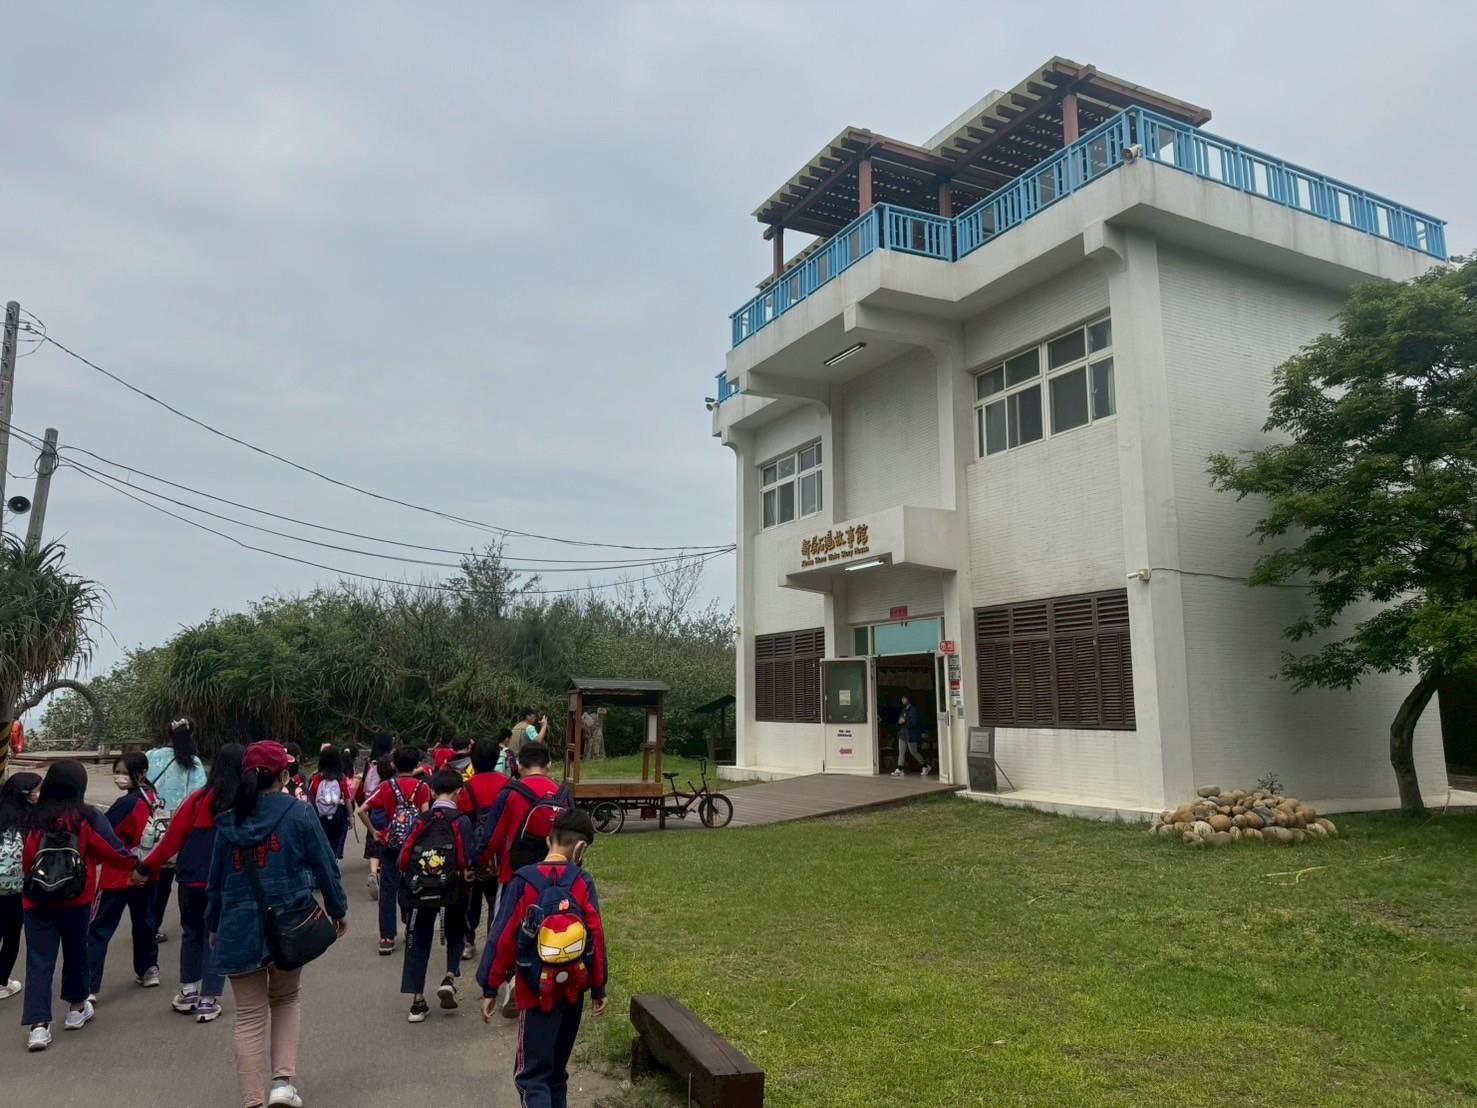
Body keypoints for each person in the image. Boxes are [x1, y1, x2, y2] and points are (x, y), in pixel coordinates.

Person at [208, 741, 348, 1108]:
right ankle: (282, 1084)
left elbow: (216, 883)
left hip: (237, 926)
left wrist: (213, 926)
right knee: (285, 998)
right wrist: (337, 909)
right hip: (290, 921)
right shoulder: (299, 813)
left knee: (249, 1016)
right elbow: (325, 866)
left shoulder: (227, 821)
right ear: (284, 775)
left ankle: (252, 1100)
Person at [479, 808, 608, 1108]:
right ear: (581, 848)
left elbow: (502, 937)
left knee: (531, 1076)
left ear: (549, 840)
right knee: (556, 1074)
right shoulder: (582, 881)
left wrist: (490, 985)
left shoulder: (524, 881)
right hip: (573, 990)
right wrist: (598, 987)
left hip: (535, 992)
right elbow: (596, 935)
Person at [21, 760, 141, 1052]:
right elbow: (112, 850)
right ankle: (76, 1009)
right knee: (77, 952)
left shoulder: (34, 818)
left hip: (37, 899)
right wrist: (137, 867)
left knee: (39, 960)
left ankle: (39, 1026)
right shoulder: (87, 817)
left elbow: (27, 860)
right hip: (76, 898)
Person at [135, 742, 244, 1023]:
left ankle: (188, 992)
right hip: (226, 884)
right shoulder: (245, 803)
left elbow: (171, 841)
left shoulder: (196, 800)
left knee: (192, 933)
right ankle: (209, 998)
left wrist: (145, 867)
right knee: (216, 936)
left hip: (191, 880)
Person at [397, 769, 474, 1023]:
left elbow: (404, 857)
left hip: (421, 888)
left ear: (431, 792)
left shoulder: (422, 819)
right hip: (452, 887)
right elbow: (465, 859)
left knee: (418, 939)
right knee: (456, 931)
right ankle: (450, 977)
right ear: (459, 792)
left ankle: (417, 1001)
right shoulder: (461, 820)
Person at [86, 751, 163, 998]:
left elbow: (103, 832)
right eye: (117, 772)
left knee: (98, 929)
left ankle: (89, 985)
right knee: (145, 923)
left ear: (140, 773)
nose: (119, 777)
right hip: (147, 870)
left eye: (124, 773)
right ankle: (148, 968)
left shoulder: (125, 804)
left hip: (118, 873)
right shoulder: (153, 798)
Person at [357, 747, 431, 955]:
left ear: (393, 765)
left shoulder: (386, 786)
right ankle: (411, 926)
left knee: (388, 890)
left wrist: (374, 832)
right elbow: (425, 816)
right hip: (413, 845)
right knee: (413, 886)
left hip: (391, 844)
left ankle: (387, 937)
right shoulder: (422, 787)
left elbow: (361, 809)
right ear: (417, 764)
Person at [146, 718, 207, 944]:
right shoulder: (193, 762)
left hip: (151, 826)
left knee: (156, 881)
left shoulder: (151, 756)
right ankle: (192, 927)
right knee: (184, 883)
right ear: (192, 735)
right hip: (181, 829)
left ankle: (150, 927)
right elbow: (197, 797)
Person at [458, 739, 510, 952]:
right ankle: (493, 943)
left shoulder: (467, 787)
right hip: (500, 851)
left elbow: (462, 822)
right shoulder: (507, 784)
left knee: (471, 899)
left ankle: (468, 941)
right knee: (496, 901)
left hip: (473, 851)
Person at [0, 772, 42, 1002]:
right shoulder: (32, 820)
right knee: (11, 935)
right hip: (16, 889)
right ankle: (1, 982)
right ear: (25, 794)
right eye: (36, 790)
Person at [354, 734, 395, 899]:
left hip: (372, 804)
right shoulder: (389, 763)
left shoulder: (370, 762)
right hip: (387, 805)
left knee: (374, 840)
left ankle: (373, 870)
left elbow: (363, 786)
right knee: (390, 839)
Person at [307, 748, 352, 861]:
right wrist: (351, 816)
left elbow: (310, 798)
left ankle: (324, 860)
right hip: (338, 816)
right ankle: (334, 858)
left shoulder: (316, 778)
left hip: (320, 816)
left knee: (322, 840)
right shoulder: (341, 778)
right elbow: (347, 798)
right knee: (335, 841)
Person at [890, 696, 929, 777]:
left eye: (904, 698)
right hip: (902, 734)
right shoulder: (903, 710)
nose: (903, 700)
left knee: (913, 752)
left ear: (909, 699)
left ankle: (925, 766)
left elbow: (914, 722)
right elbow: (899, 720)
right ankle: (899, 769)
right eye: (902, 698)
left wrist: (905, 721)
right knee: (901, 752)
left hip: (911, 735)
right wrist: (899, 722)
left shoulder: (913, 710)